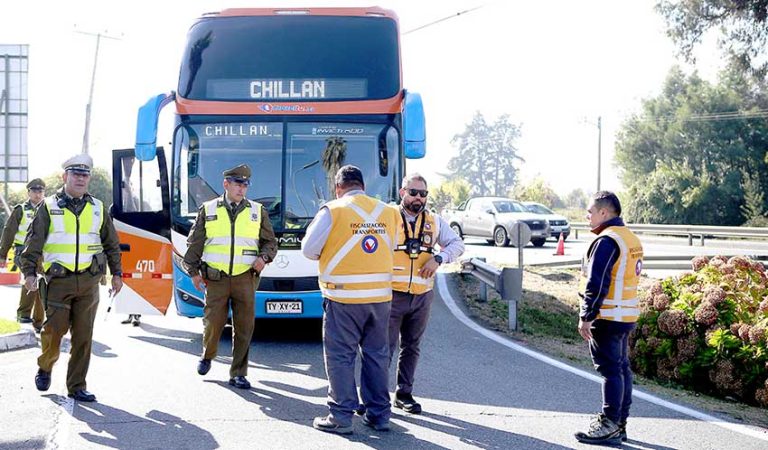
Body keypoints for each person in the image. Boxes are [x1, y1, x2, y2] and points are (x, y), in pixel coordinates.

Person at [302, 165, 398, 435]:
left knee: (341, 356)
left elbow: (309, 249)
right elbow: (392, 246)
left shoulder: (333, 210)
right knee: (377, 356)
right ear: (363, 186)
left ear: (338, 187)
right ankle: (379, 415)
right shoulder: (389, 212)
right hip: (380, 298)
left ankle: (341, 416)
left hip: (343, 297)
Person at [21, 154, 123, 403]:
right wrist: (29, 273)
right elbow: (32, 243)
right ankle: (45, 365)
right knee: (54, 332)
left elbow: (111, 244)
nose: (81, 178)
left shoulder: (98, 207)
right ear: (64, 176)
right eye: (75, 174)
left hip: (89, 282)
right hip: (58, 282)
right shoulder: (47, 206)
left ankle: (76, 385)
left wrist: (117, 274)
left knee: (83, 336)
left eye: (85, 174)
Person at [183, 164, 277, 390]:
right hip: (216, 278)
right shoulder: (209, 209)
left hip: (245, 277)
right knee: (213, 324)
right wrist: (193, 273)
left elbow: (270, 242)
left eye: (245, 184)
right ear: (226, 184)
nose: (242, 188)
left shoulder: (257, 211)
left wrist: (263, 258)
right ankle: (207, 355)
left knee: (245, 327)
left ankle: (238, 373)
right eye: (238, 183)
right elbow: (194, 244)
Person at [388, 173, 464, 414]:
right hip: (391, 294)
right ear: (402, 192)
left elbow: (457, 245)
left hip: (421, 295)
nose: (418, 198)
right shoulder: (388, 216)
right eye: (413, 193)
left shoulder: (435, 220)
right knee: (382, 347)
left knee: (411, 346)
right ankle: (374, 397)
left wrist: (439, 258)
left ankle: (404, 394)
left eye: (423, 194)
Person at [574, 191, 643, 446]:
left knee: (610, 370)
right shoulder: (629, 237)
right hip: (625, 315)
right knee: (621, 369)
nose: (587, 216)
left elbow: (597, 281)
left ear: (604, 213)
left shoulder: (606, 241)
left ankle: (609, 423)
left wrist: (587, 316)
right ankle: (619, 424)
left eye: (590, 211)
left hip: (608, 315)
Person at [0, 178, 46, 331]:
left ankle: (37, 321)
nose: (38, 194)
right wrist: (3, 254)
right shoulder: (20, 209)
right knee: (34, 280)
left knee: (41, 284)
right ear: (29, 192)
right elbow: (9, 232)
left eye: (40, 191)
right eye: (34, 191)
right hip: (23, 252)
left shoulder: (50, 210)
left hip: (44, 253)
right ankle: (25, 314)